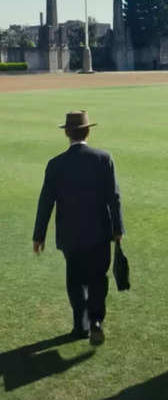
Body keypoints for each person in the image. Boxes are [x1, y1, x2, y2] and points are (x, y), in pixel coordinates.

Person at [33, 111, 125, 346]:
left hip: (70, 233)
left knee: (75, 280)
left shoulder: (55, 164)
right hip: (99, 231)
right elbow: (113, 197)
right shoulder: (103, 158)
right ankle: (96, 321)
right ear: (88, 131)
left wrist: (39, 235)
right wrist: (118, 228)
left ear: (66, 133)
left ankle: (80, 325)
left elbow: (46, 201)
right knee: (97, 278)